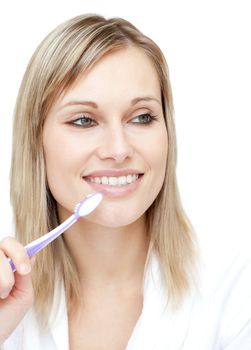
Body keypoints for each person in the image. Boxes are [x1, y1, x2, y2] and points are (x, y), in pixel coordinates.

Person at [0, 14, 250, 350]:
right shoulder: (6, 294)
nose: (118, 150)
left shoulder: (235, 286)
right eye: (84, 120)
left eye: (142, 117)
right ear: (36, 141)